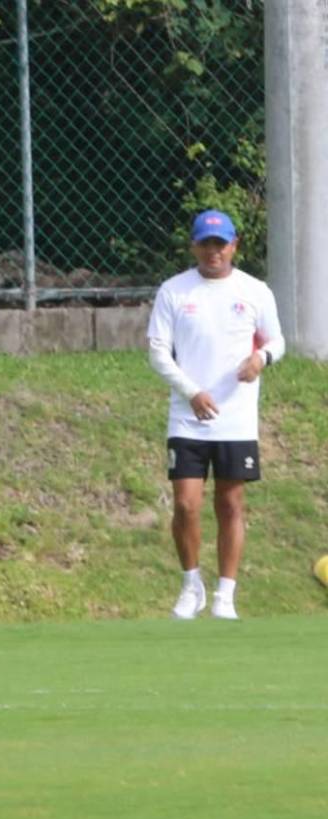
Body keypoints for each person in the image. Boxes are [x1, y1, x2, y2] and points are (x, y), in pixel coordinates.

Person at [147, 209, 285, 621]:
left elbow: (278, 341)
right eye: (206, 244)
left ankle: (226, 594)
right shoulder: (174, 291)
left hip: (236, 418)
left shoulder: (255, 290)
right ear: (194, 246)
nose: (213, 252)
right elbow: (157, 351)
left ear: (234, 246)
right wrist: (191, 392)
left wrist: (261, 357)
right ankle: (192, 586)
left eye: (220, 244)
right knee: (186, 505)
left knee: (230, 504)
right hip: (188, 417)